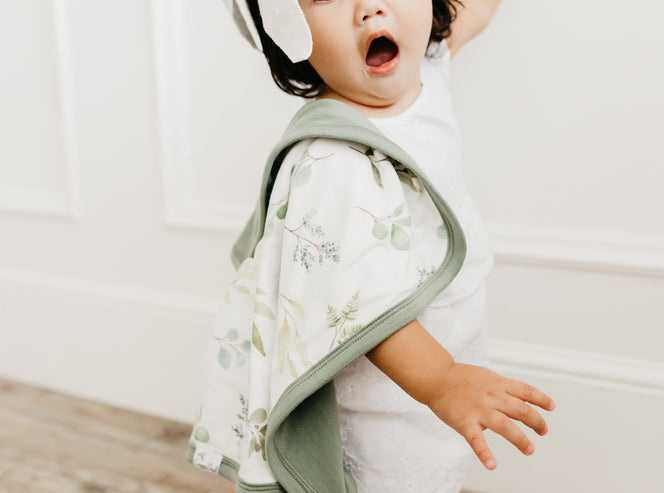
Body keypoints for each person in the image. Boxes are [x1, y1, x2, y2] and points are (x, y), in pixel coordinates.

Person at [189, 1, 556, 492]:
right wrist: (444, 380)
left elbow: (477, 9)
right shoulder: (331, 159)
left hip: (447, 354)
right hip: (387, 397)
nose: (370, 8)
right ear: (288, 32)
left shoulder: (429, 68)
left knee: (438, 469)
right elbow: (358, 305)